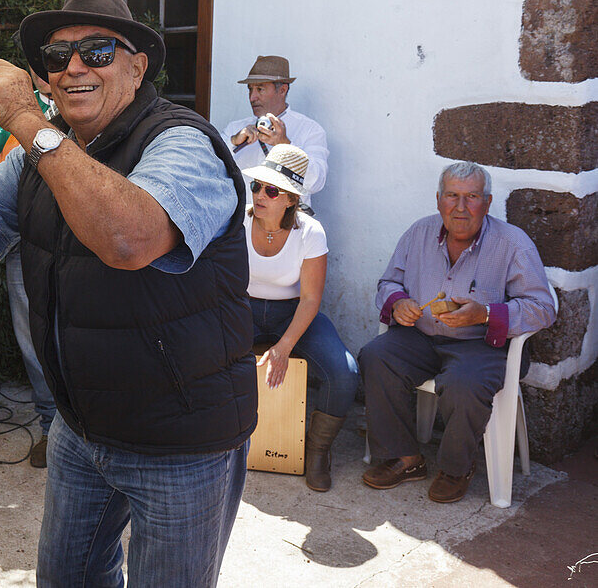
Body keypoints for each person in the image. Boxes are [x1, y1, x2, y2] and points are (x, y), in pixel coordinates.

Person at [0, 0, 256, 587]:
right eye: (56, 56)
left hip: (181, 437)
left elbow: (129, 239)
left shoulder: (183, 142)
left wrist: (23, 119)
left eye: (97, 51)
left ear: (136, 64)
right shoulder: (39, 158)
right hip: (81, 426)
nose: (72, 67)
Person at [360, 161, 556, 503]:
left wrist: (486, 314)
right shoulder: (418, 233)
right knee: (375, 356)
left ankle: (456, 468)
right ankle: (406, 458)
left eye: (472, 197)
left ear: (488, 202)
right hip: (420, 338)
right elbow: (388, 280)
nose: (461, 207)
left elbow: (543, 308)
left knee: (463, 383)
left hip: (484, 346)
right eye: (452, 195)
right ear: (438, 199)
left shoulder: (513, 244)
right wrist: (398, 301)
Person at [241, 143, 358, 492]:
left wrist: (283, 346)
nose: (260, 194)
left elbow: (310, 299)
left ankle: (318, 451)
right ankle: (211, 442)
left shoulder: (310, 231)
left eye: (271, 190)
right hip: (241, 307)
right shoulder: (238, 220)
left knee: (344, 372)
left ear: (291, 199)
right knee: (196, 350)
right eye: (257, 186)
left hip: (292, 312)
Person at [0, 62, 57, 469]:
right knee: (32, 340)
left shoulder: (82, 105)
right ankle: (49, 427)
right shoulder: (8, 110)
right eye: (39, 63)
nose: (48, 72)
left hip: (76, 237)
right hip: (24, 241)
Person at [223, 55, 329, 205]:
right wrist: (233, 142)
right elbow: (210, 167)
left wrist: (285, 146)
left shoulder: (310, 130)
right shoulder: (235, 129)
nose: (252, 97)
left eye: (260, 89)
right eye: (250, 89)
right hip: (243, 224)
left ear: (283, 90)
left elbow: (316, 182)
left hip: (288, 225)